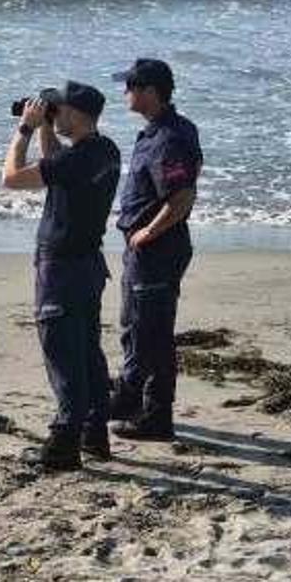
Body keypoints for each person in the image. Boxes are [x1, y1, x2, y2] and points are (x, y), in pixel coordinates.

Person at [1, 80, 121, 470]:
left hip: (62, 267)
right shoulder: (103, 151)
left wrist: (24, 130)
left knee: (62, 354)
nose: (54, 113)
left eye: (59, 110)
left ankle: (64, 445)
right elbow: (56, 168)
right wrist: (47, 128)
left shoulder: (77, 159)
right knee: (87, 350)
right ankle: (93, 434)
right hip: (87, 265)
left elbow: (13, 178)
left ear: (77, 114)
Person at [109, 59, 203, 441]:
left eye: (130, 85)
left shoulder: (168, 137)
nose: (125, 92)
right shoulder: (162, 131)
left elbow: (181, 195)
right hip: (154, 247)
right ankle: (155, 415)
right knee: (152, 332)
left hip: (157, 249)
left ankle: (131, 402)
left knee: (144, 331)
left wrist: (148, 230)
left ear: (149, 90)